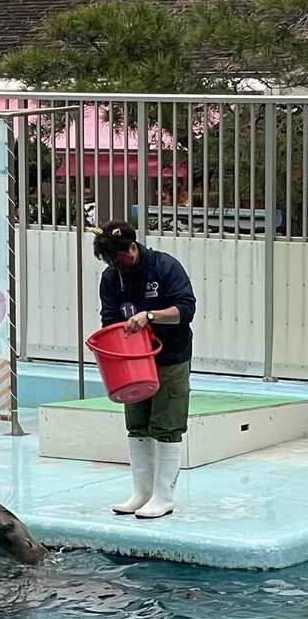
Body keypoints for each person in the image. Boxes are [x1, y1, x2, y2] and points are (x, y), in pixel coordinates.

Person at [92, 220, 196, 519]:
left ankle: (164, 497)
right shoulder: (112, 278)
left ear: (133, 247)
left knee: (167, 424)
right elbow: (109, 318)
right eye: (109, 261)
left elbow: (185, 310)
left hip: (170, 356)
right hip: (132, 360)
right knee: (136, 423)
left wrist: (149, 316)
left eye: (118, 258)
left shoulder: (165, 267)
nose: (115, 265)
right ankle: (142, 493)